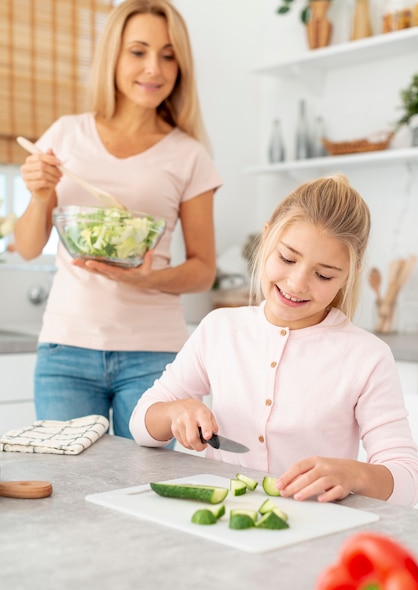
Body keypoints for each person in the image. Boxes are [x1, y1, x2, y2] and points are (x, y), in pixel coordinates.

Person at [130, 174, 418, 507]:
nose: (297, 283)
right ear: (267, 239)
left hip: (317, 526)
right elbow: (140, 424)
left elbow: (408, 479)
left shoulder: (368, 356)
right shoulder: (220, 328)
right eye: (287, 258)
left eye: (323, 274)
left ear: (349, 274)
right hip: (223, 518)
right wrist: (174, 412)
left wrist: (354, 474)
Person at [13, 0, 222, 439]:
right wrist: (39, 194)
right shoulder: (66, 134)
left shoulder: (189, 154)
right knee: (67, 491)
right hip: (66, 349)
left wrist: (145, 280)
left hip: (155, 355)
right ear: (114, 56)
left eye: (168, 55)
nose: (154, 69)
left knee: (143, 490)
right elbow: (29, 247)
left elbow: (204, 270)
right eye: (139, 51)